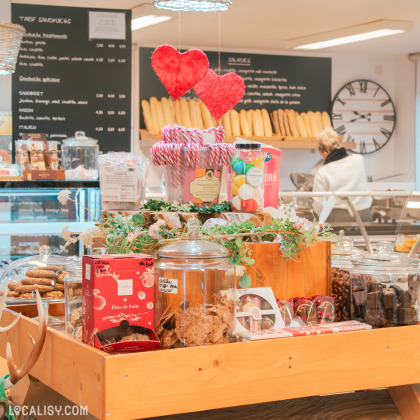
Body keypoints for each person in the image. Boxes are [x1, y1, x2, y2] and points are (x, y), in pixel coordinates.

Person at [312, 127, 372, 222]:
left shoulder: (322, 172)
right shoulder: (359, 160)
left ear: (324, 152)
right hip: (364, 215)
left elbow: (319, 202)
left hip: (337, 217)